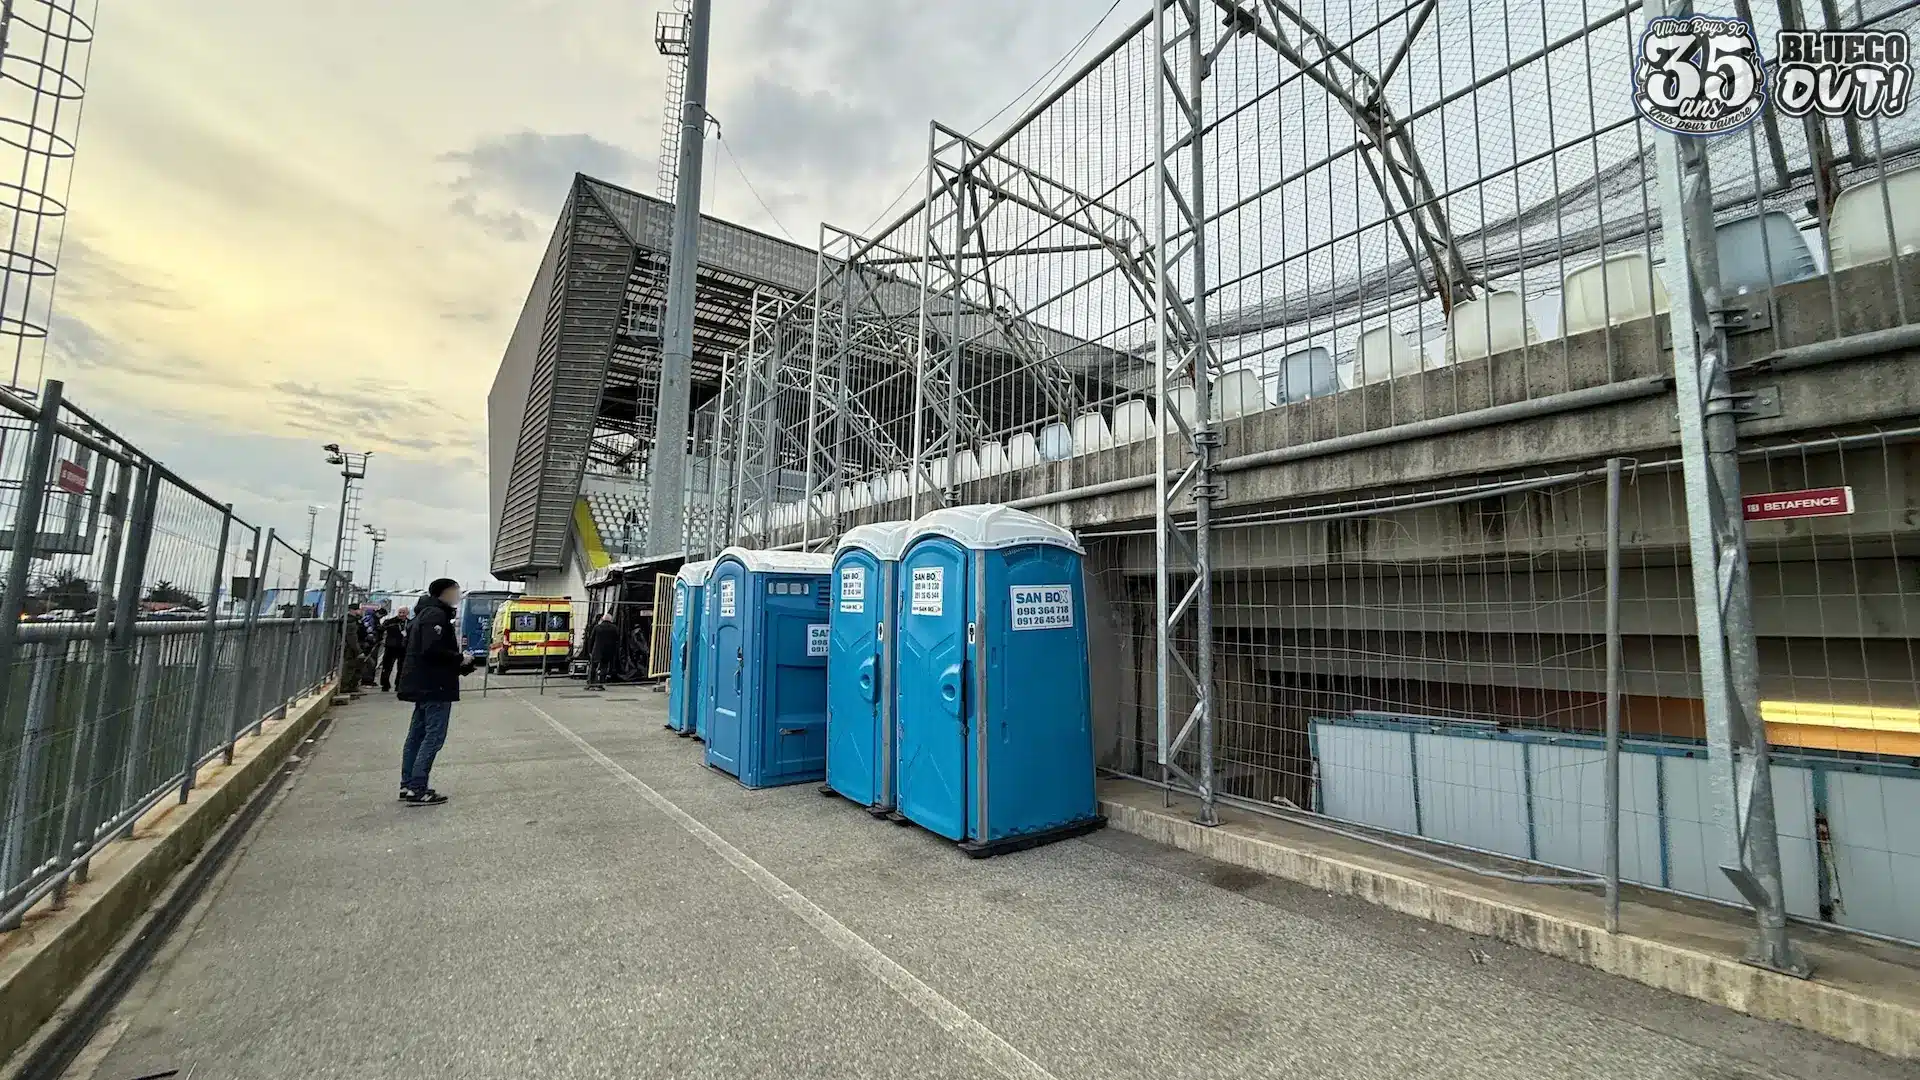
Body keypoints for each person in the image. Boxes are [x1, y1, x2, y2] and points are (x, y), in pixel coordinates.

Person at [396, 579, 477, 806]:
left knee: (417, 736)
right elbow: (432, 650)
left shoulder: (424, 614)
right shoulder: (435, 615)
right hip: (435, 686)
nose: (458, 596)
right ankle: (418, 787)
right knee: (433, 737)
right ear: (445, 593)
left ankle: (408, 784)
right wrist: (460, 658)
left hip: (424, 684)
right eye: (456, 592)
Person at [585, 611, 621, 690]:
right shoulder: (614, 628)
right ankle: (600, 684)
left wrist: (589, 650)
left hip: (596, 650)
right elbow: (617, 640)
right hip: (608, 651)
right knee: (604, 668)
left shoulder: (597, 627)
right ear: (611, 620)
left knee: (593, 667)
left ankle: (590, 684)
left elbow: (591, 639)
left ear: (603, 619)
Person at [378, 606, 410, 691]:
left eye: (403, 612)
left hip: (403, 648)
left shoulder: (409, 623)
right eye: (400, 612)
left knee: (402, 668)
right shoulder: (390, 622)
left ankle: (399, 684)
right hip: (391, 647)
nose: (401, 614)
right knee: (387, 666)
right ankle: (385, 684)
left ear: (407, 613)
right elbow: (381, 629)